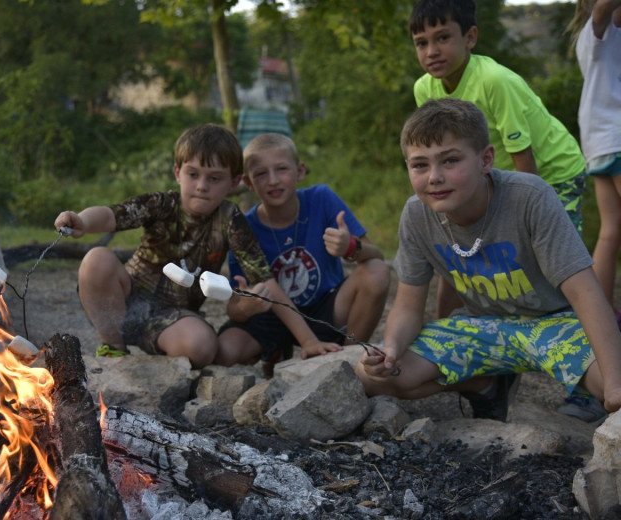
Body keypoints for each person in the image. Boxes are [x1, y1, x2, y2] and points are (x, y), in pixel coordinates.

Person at [355, 98, 621, 425]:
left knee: (608, 383)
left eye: (450, 160)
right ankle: (485, 385)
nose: (435, 177)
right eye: (420, 165)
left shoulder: (529, 197)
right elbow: (408, 306)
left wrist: (614, 383)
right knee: (370, 377)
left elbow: (585, 293)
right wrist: (392, 348)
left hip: (553, 324)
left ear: (485, 159)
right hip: (481, 328)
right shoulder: (416, 215)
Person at [408, 0, 604, 422]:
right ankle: (471, 350)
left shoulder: (495, 80)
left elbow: (524, 162)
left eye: (443, 38)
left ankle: (588, 368)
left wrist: (520, 218)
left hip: (549, 173)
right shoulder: (425, 89)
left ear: (471, 38)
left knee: (559, 274)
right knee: (459, 253)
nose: (432, 51)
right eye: (422, 42)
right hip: (482, 181)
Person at [53, 124, 342, 369]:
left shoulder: (231, 221)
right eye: (193, 175)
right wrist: (81, 220)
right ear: (178, 173)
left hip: (173, 316)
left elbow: (265, 279)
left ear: (233, 183)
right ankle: (113, 347)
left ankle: (161, 361)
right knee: (96, 259)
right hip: (126, 298)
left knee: (203, 347)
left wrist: (308, 341)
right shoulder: (162, 204)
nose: (202, 185)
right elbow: (111, 215)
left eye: (214, 178)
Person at [215, 133, 390, 367]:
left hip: (325, 309)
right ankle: (277, 350)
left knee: (376, 271)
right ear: (248, 183)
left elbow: (377, 256)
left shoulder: (321, 199)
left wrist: (351, 247)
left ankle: (346, 362)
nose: (273, 180)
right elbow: (235, 309)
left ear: (300, 171)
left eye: (282, 169)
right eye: (261, 174)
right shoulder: (243, 228)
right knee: (225, 351)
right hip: (272, 316)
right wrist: (245, 309)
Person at [567, 0, 621, 313]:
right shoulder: (597, 30)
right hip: (614, 138)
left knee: (612, 228)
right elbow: (603, 7)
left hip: (599, 143)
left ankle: (601, 314)